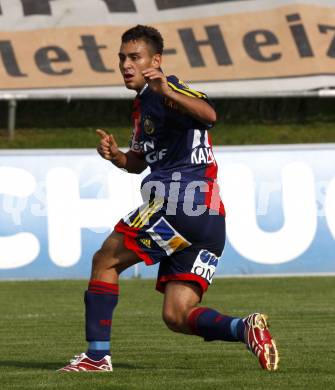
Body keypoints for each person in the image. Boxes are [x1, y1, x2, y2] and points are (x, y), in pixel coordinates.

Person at [59, 25, 279, 372]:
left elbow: (209, 115)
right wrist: (116, 155)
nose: (126, 65)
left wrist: (164, 87)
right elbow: (138, 163)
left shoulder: (168, 88)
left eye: (135, 57)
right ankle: (245, 328)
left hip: (177, 204)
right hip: (207, 217)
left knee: (105, 261)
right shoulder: (143, 106)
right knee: (177, 315)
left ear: (155, 60)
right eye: (121, 58)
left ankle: (96, 357)